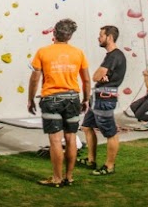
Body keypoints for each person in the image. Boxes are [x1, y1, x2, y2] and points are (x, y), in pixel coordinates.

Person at [28, 18, 90, 188]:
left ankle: (56, 178)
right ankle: (69, 177)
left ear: (54, 33)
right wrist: (85, 99)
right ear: (69, 36)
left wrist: (30, 99)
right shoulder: (78, 53)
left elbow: (35, 79)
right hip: (72, 99)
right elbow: (86, 80)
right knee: (71, 138)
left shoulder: (42, 52)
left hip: (51, 99)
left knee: (55, 141)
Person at [81, 25, 127, 175]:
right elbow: (100, 76)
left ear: (110, 37)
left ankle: (109, 166)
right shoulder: (111, 56)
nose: (98, 38)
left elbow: (95, 76)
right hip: (99, 96)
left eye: (101, 35)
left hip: (105, 98)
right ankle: (91, 160)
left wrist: (101, 76)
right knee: (87, 126)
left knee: (110, 133)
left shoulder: (114, 56)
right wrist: (102, 76)